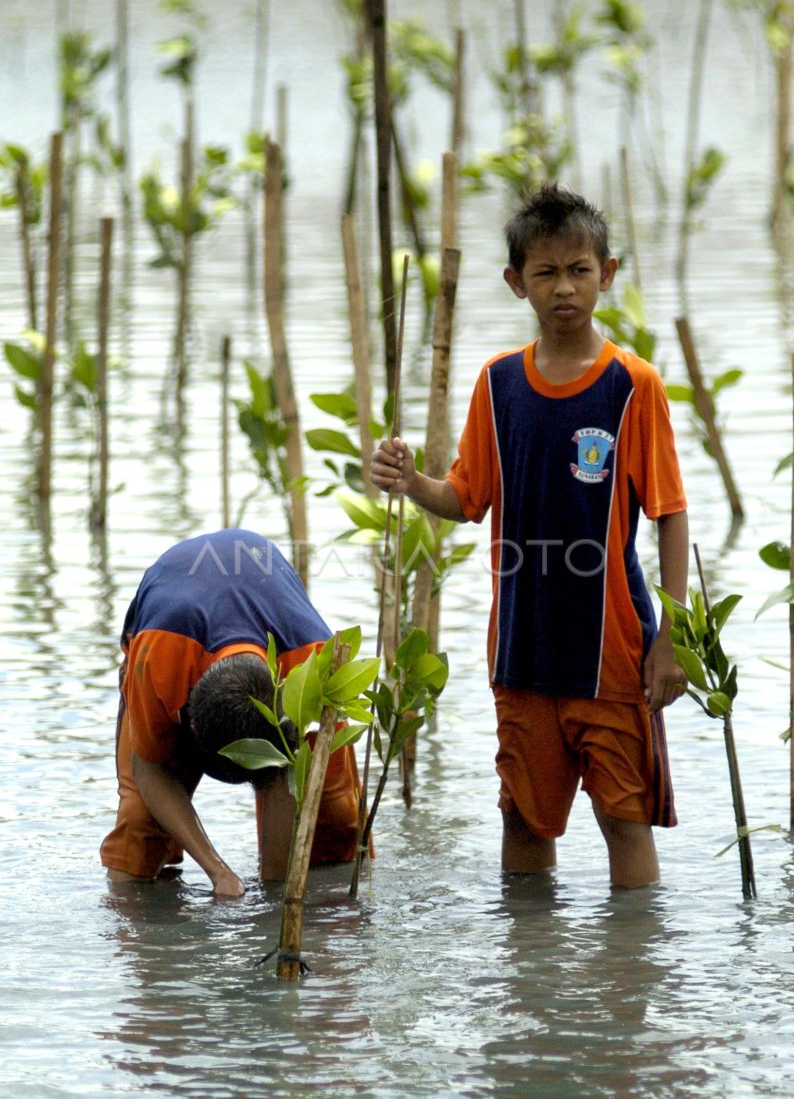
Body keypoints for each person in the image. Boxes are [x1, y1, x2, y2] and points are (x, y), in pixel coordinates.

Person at [370, 184, 689, 890]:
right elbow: (466, 498)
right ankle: (529, 984)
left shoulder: (634, 386)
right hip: (521, 646)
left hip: (611, 648)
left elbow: (669, 512)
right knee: (522, 817)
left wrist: (674, 635)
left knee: (623, 817)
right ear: (517, 284)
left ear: (607, 274)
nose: (564, 287)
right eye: (545, 273)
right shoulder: (498, 383)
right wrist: (410, 481)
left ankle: (627, 979)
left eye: (579, 270)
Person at [100, 528, 362, 897]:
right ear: (188, 719)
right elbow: (149, 769)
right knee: (139, 830)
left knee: (333, 820)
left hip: (281, 634)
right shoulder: (160, 657)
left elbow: (287, 775)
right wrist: (218, 871)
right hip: (170, 629)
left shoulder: (311, 663)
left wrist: (276, 896)